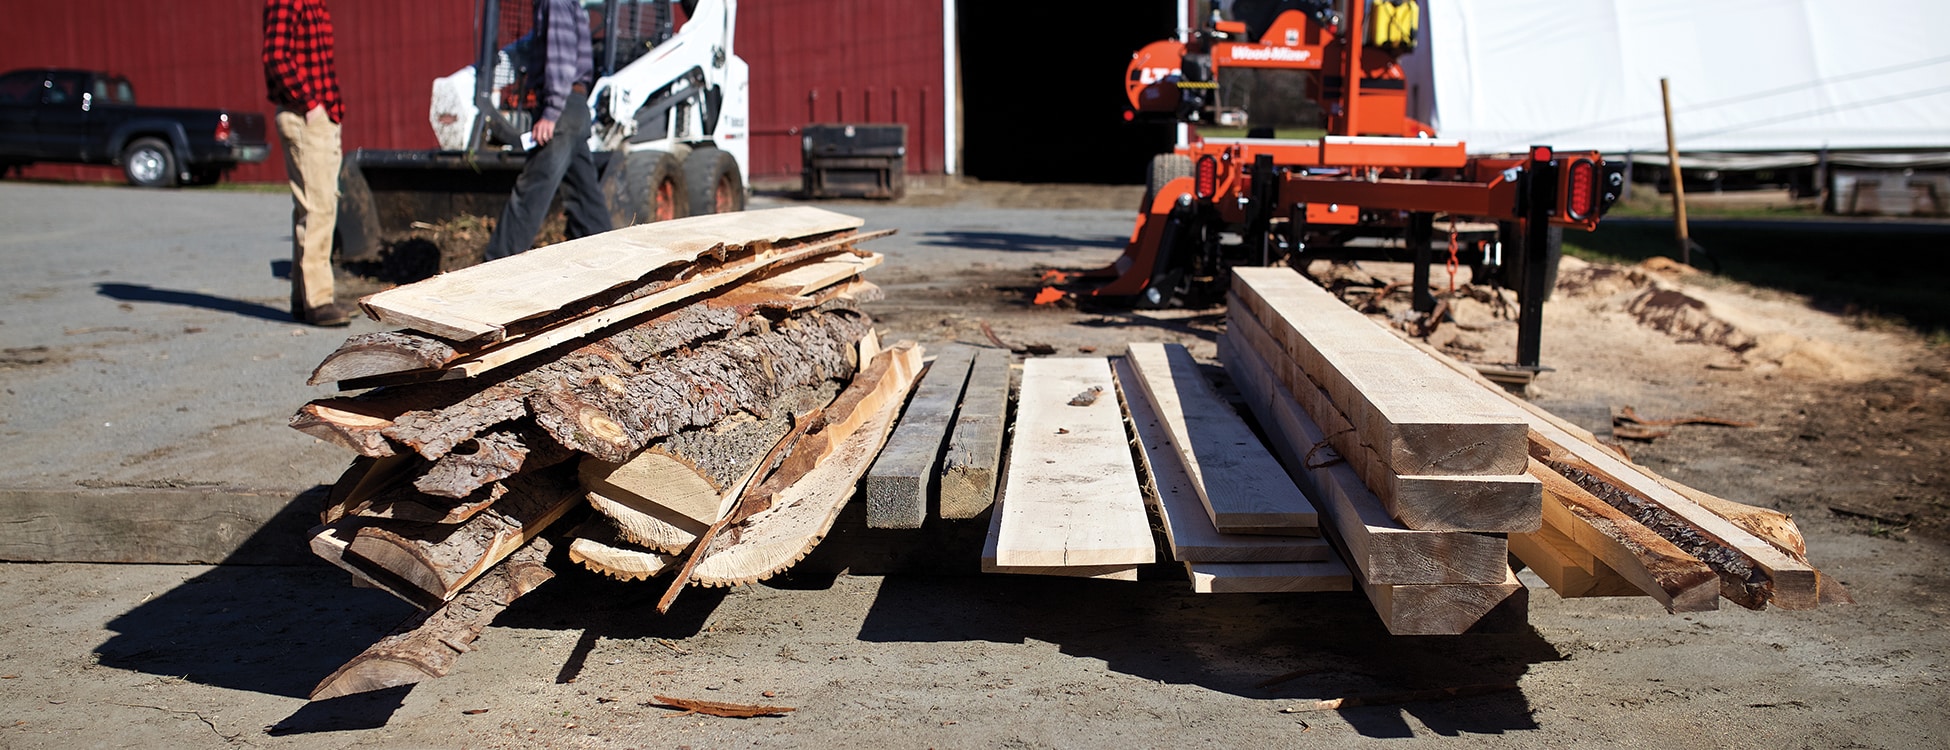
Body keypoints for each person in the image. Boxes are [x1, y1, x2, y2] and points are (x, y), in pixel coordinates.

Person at [481, 0, 613, 262]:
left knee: (531, 192)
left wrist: (551, 112)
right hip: (574, 107)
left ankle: (494, 268)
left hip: (562, 109)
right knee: (585, 197)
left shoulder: (555, 2)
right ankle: (607, 260)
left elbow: (561, 56)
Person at [262, 0, 348, 326]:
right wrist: (311, 104)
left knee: (312, 207)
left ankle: (304, 299)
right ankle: (319, 301)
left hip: (319, 113)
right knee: (318, 207)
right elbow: (276, 56)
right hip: (304, 114)